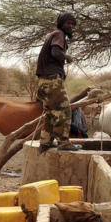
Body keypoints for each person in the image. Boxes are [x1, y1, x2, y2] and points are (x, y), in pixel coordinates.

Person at [35, 11, 79, 152]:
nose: (70, 26)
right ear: (61, 23)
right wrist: (67, 57)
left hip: (43, 80)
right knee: (63, 110)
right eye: (68, 23)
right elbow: (56, 52)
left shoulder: (52, 35)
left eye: (72, 24)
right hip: (52, 79)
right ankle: (63, 142)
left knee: (50, 113)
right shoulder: (59, 34)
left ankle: (45, 142)